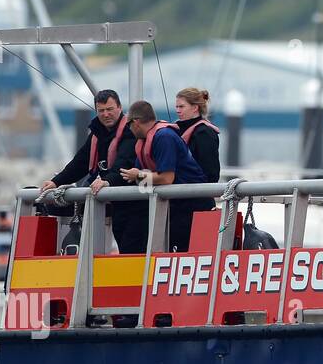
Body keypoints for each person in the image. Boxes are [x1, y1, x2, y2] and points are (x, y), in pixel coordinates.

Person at [40, 88, 146, 253]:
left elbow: (124, 163)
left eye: (110, 109)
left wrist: (107, 181)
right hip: (111, 199)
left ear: (119, 108)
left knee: (131, 246)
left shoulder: (129, 132)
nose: (106, 114)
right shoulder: (97, 133)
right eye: (101, 110)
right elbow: (80, 162)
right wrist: (56, 181)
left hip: (134, 202)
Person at [120, 100, 212, 253]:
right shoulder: (144, 142)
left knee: (186, 252)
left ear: (135, 122)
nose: (128, 130)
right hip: (175, 207)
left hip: (193, 206)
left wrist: (139, 175)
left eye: (128, 125)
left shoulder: (164, 137)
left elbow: (167, 178)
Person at [174, 87, 221, 183]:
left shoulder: (204, 133)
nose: (177, 110)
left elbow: (211, 174)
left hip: (197, 193)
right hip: (178, 191)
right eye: (176, 107)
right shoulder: (177, 130)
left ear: (195, 108)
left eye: (181, 107)